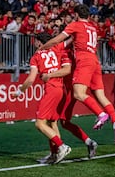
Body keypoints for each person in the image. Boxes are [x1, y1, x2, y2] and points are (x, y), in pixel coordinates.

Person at [38, 4, 115, 146]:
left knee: (78, 94)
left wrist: (42, 48)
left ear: (77, 15)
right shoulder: (92, 27)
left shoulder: (75, 26)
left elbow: (57, 40)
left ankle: (101, 115)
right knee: (100, 96)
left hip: (83, 63)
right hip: (95, 60)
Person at [39, 29, 98, 163]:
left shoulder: (65, 52)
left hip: (67, 90)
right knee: (62, 122)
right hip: (65, 89)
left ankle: (58, 151)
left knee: (53, 121)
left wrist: (49, 75)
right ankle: (87, 143)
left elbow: (67, 70)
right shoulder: (66, 51)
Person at [11, 32, 71, 164]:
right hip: (61, 90)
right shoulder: (59, 50)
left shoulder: (36, 56)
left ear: (39, 42)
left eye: (35, 41)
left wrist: (19, 91)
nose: (34, 44)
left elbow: (31, 79)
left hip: (51, 90)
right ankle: (54, 154)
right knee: (52, 123)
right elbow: (67, 70)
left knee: (39, 124)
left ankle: (62, 146)